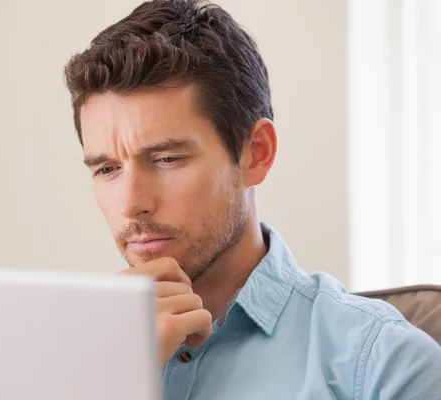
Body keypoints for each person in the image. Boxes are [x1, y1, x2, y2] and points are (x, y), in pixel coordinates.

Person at [63, 0, 441, 398]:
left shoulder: (386, 365)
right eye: (106, 169)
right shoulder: (62, 360)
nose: (130, 204)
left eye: (167, 158)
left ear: (256, 153)